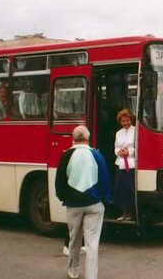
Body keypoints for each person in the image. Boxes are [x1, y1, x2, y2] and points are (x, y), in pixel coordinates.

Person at [55, 125, 111, 279]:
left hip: (73, 205)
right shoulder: (97, 155)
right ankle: (91, 275)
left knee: (74, 239)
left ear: (73, 139)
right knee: (92, 243)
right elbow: (104, 180)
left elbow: (59, 181)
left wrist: (64, 198)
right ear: (88, 138)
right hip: (94, 204)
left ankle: (73, 271)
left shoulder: (66, 155)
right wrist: (105, 199)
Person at [114, 108, 136, 221]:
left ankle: (130, 213)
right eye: (123, 121)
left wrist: (130, 152)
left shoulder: (136, 131)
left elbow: (138, 147)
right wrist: (119, 152)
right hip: (121, 164)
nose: (125, 123)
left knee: (129, 189)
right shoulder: (118, 133)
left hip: (131, 164)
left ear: (131, 120)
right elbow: (116, 148)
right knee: (121, 189)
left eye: (127, 120)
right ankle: (123, 213)